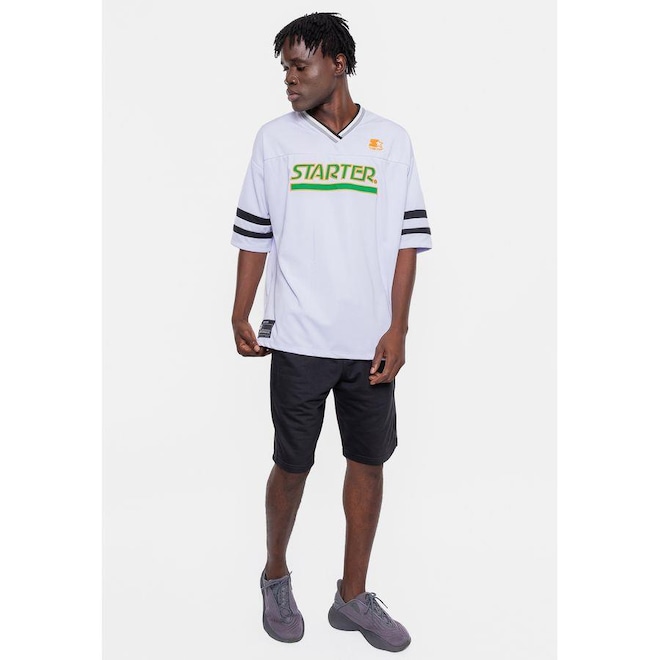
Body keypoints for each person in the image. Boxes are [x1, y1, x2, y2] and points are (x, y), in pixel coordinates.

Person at [230, 12, 431, 653]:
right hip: (297, 337)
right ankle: (275, 575)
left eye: (300, 66)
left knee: (368, 463)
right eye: (285, 69)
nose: (290, 79)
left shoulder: (390, 141)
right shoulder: (275, 140)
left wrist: (398, 329)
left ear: (338, 64)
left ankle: (352, 596)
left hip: (369, 343)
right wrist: (239, 310)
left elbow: (407, 242)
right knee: (291, 465)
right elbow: (255, 232)